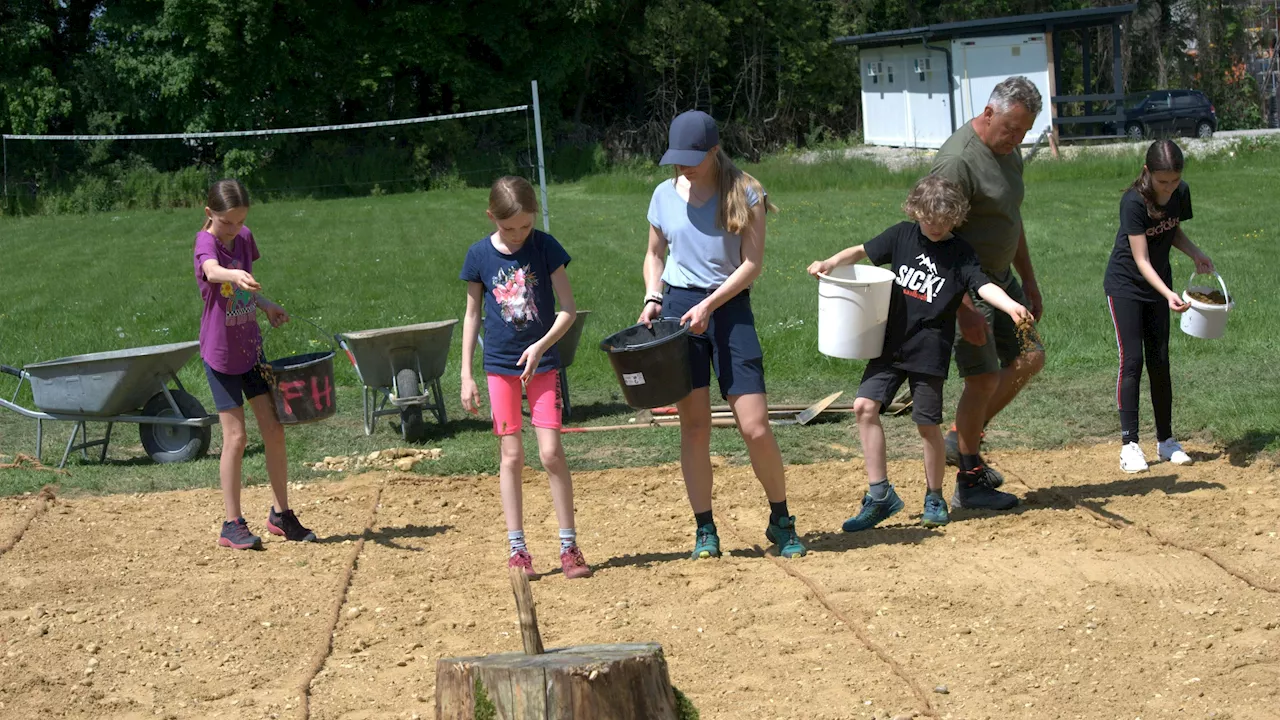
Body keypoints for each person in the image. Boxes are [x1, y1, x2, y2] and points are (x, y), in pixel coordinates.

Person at [808, 175, 1033, 529]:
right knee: (864, 407)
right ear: (915, 211)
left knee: (927, 425)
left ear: (955, 217)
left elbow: (982, 285)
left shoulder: (960, 252)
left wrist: (1010, 306)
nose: (935, 227)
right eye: (929, 219)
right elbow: (861, 251)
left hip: (929, 350)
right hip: (890, 344)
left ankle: (934, 496)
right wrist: (829, 263)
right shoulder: (901, 235)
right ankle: (880, 495)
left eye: (944, 222)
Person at [640, 110, 805, 560]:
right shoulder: (662, 195)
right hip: (678, 312)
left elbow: (752, 265)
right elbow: (655, 255)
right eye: (677, 159)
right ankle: (705, 529)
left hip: (728, 308)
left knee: (754, 426)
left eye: (693, 158)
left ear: (715, 150)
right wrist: (654, 296)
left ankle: (781, 519)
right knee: (695, 426)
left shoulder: (746, 192)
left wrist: (709, 305)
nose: (684, 167)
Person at [460, 176, 592, 580]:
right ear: (491, 218)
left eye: (525, 227)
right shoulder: (479, 256)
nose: (518, 236)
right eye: (508, 228)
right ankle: (518, 550)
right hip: (499, 368)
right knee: (512, 456)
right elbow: (472, 315)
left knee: (551, 453)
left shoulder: (546, 247)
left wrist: (540, 346)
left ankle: (569, 546)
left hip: (543, 365)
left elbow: (567, 309)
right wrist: (466, 373)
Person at [930, 75, 1046, 509]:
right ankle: (970, 484)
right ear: (988, 112)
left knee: (1030, 356)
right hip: (965, 286)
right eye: (1011, 129)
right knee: (980, 379)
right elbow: (934, 241)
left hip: (1002, 280)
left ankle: (961, 439)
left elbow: (1009, 220)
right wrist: (963, 309)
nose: (1016, 138)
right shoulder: (956, 163)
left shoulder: (1009, 152)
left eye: (1025, 132)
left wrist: (1028, 280)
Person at [193, 179, 316, 550]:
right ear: (209, 213)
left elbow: (243, 294)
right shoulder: (206, 242)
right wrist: (233, 274)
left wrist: (267, 306)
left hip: (251, 349)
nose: (234, 229)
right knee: (236, 438)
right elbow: (214, 273)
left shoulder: (244, 237)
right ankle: (231, 524)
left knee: (274, 430)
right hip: (221, 356)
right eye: (227, 222)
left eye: (239, 221)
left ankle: (281, 515)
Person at [1105, 140, 1211, 473]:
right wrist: (1168, 293)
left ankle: (1166, 441)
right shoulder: (1133, 202)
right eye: (1163, 182)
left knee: (1160, 360)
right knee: (1132, 360)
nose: (1169, 189)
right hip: (1126, 285)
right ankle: (1129, 445)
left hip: (1157, 285)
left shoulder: (1181, 193)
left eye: (1174, 181)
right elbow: (1141, 258)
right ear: (1147, 172)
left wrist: (1194, 252)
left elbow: (1170, 230)